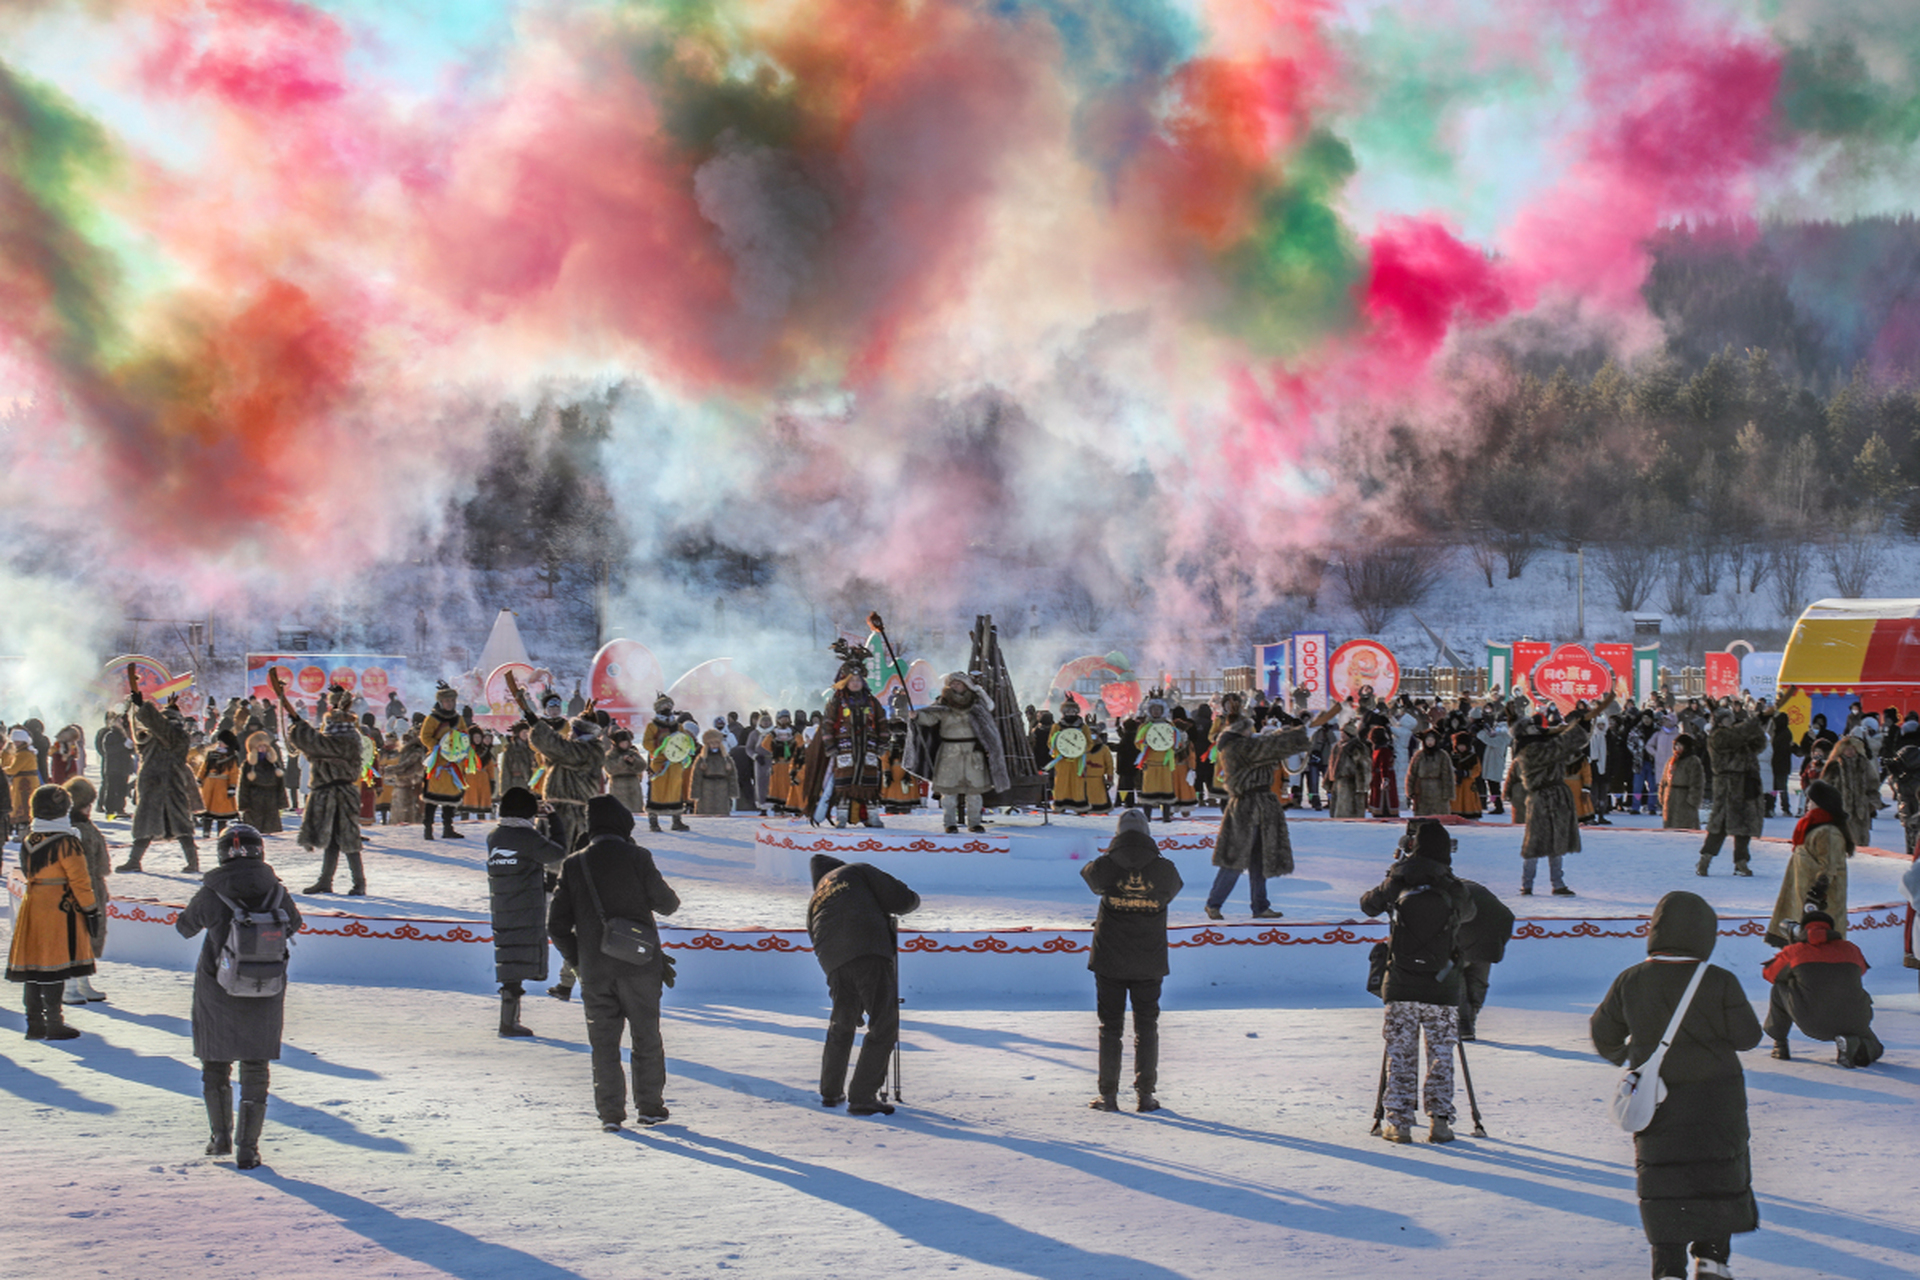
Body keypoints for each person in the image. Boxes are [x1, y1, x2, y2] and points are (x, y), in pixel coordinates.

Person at [1591, 891, 1762, 1280]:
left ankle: (1668, 1269)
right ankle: (1713, 1259)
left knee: (1664, 1180)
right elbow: (1748, 1037)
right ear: (1706, 934)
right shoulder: (1719, 981)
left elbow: (1604, 1036)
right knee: (1717, 1174)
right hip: (1718, 1100)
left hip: (1658, 1100)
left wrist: (1635, 1062)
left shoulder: (1631, 980)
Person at [548, 795, 682, 1131]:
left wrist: (578, 961)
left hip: (595, 970)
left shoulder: (574, 864)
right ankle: (650, 1107)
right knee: (646, 1037)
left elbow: (556, 926)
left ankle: (610, 1113)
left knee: (603, 1043)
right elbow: (668, 905)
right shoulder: (637, 857)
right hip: (640, 966)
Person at [174, 823, 303, 1169]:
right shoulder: (276, 890)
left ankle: (220, 1137)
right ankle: (249, 1148)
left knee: (215, 1062)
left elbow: (185, 928)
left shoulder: (212, 891)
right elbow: (295, 923)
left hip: (218, 988)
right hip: (266, 986)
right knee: (255, 1064)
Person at [1359, 820, 1475, 1143]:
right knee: (1441, 1053)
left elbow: (1367, 905)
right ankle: (1439, 1121)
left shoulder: (1399, 878)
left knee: (1401, 1052)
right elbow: (1469, 913)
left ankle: (1397, 1122)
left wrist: (1395, 872)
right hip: (1442, 984)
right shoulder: (1451, 884)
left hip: (1401, 983)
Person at [1081, 809, 1183, 1112]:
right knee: (1146, 1026)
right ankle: (1146, 1095)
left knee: (1109, 1027)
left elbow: (1090, 876)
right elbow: (1171, 891)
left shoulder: (1106, 865)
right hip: (1149, 960)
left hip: (1109, 959)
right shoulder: (1165, 869)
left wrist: (1113, 853)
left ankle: (1108, 1096)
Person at [807, 852, 920, 1115]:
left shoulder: (815, 900)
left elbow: (814, 936)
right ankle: (862, 1096)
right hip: (868, 951)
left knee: (842, 1024)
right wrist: (912, 901)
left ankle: (830, 1092)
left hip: (833, 962)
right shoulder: (855, 871)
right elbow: (901, 899)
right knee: (883, 1023)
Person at [1206, 711, 1335, 920]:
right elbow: (1265, 747)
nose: (1252, 732)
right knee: (1235, 860)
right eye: (1249, 729)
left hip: (1260, 805)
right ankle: (1214, 903)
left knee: (1259, 860)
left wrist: (1281, 734)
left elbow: (1265, 745)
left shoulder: (1243, 745)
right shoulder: (1237, 748)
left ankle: (1260, 906)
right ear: (1241, 731)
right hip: (1247, 806)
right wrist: (1296, 732)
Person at [7, 785, 100, 1040]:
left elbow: (27, 872)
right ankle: (54, 1022)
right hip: (59, 908)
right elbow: (80, 881)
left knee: (34, 965)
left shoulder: (29, 838)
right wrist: (91, 911)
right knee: (53, 966)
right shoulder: (68, 842)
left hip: (32, 903)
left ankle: (34, 1023)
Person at [1762, 887, 1883, 1067]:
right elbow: (1861, 971)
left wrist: (1792, 953)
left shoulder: (1795, 951)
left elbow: (1770, 975)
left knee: (1779, 989)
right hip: (1856, 1019)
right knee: (1876, 1048)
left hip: (1814, 1023)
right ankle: (1852, 1044)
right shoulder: (1851, 948)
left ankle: (1780, 1045)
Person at [487, 786, 570, 1037]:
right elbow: (557, 851)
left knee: (509, 957)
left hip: (502, 906)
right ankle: (509, 1023)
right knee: (519, 956)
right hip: (526, 905)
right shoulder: (527, 837)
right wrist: (553, 819)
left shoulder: (495, 836)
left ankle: (508, 1020)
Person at [274, 684, 369, 896]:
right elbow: (317, 743)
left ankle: (358, 883)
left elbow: (316, 743)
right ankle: (326, 881)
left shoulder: (343, 741)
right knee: (333, 840)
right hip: (336, 793)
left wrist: (299, 724)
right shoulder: (346, 738)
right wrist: (299, 724)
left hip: (339, 795)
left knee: (347, 838)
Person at [806, 642, 901, 830]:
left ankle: (873, 817)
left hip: (869, 748)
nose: (855, 683)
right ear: (846, 682)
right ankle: (841, 817)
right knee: (844, 785)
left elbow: (882, 723)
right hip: (844, 749)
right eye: (852, 680)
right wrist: (831, 746)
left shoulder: (872, 702)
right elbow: (827, 726)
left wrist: (883, 743)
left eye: (858, 680)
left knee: (869, 785)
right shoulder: (837, 702)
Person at [1513, 707, 1600, 896]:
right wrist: (1576, 728)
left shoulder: (1543, 745)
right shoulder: (1530, 751)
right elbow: (1562, 746)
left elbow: (1571, 748)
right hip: (1540, 798)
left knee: (1558, 842)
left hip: (1557, 796)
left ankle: (1557, 883)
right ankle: (1527, 884)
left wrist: (1579, 726)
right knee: (1534, 844)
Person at [118, 690, 202, 873]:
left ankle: (193, 862)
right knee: (145, 824)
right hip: (153, 785)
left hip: (171, 784)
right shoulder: (154, 737)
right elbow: (139, 738)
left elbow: (160, 727)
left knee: (181, 825)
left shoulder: (177, 736)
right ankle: (134, 860)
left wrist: (142, 706)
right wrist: (132, 711)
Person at [1766, 779, 1852, 948]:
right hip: (1804, 898)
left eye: (1811, 801)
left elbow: (1828, 866)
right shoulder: (1811, 828)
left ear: (1822, 804)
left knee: (1820, 943)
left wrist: (1817, 892)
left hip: (1822, 903)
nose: (1807, 804)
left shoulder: (1828, 832)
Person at [1697, 701, 1772, 877]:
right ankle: (1705, 859)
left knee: (1745, 825)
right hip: (1728, 786)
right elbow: (1737, 735)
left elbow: (1758, 744)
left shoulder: (1739, 737)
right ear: (1719, 722)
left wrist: (1760, 726)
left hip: (1747, 784)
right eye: (1727, 719)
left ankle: (1741, 861)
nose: (1731, 722)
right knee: (1720, 825)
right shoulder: (1717, 737)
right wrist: (1756, 720)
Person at [59, 778, 112, 1006]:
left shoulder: (73, 826)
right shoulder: (79, 829)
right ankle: (70, 986)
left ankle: (82, 983)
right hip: (82, 890)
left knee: (84, 936)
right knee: (78, 935)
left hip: (85, 889)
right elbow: (98, 864)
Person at [1455, 877, 1514, 1042]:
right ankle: (1469, 1022)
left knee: (1456, 979)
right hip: (1490, 939)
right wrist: (1499, 942)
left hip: (1464, 939)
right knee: (1477, 981)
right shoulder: (1476, 889)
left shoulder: (1448, 891)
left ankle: (1463, 1023)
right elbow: (1507, 916)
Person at [417, 682, 474, 840]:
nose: (450, 704)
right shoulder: (433, 718)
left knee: (450, 798)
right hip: (438, 763)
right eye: (447, 701)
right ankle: (428, 828)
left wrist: (459, 749)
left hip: (454, 763)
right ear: (441, 702)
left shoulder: (458, 718)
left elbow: (464, 735)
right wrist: (438, 746)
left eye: (452, 701)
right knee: (433, 798)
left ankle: (448, 828)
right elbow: (425, 736)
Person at [643, 694, 696, 833]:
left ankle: (676, 820)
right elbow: (646, 742)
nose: (667, 708)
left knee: (675, 790)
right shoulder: (652, 726)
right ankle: (653, 821)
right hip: (660, 763)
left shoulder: (678, 726)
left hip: (675, 763)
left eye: (669, 706)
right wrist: (662, 745)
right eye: (664, 706)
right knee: (656, 791)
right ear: (658, 709)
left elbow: (684, 741)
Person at [1404, 730, 1455, 817]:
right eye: (1428, 740)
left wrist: (1448, 793)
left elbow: (1447, 775)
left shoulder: (1442, 755)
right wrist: (1410, 790)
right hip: (1421, 791)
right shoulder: (1418, 755)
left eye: (1432, 740)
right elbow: (1411, 774)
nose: (1430, 742)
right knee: (1422, 818)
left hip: (1438, 790)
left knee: (1439, 817)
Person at [691, 728, 740, 816]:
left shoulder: (726, 758)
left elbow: (732, 776)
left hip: (722, 789)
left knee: (721, 815)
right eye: (711, 743)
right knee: (705, 814)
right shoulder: (702, 759)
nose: (714, 745)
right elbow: (696, 776)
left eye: (716, 742)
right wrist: (695, 794)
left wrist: (733, 792)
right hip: (706, 789)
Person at [1660, 734, 1705, 829]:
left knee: (1686, 827)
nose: (1677, 747)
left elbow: (1697, 783)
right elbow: (1664, 780)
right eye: (1676, 745)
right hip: (1670, 798)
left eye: (1680, 745)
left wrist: (1692, 800)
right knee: (1670, 827)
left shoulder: (1693, 761)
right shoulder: (1671, 760)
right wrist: (1662, 795)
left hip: (1684, 798)